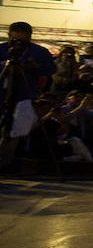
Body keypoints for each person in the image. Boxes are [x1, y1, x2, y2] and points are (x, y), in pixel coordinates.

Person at [2, 22, 57, 153]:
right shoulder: (2, 49)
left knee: (18, 131)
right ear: (9, 36)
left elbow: (52, 69)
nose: (19, 44)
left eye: (23, 40)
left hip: (24, 95)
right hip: (2, 94)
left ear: (30, 37)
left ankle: (8, 161)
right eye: (15, 40)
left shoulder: (39, 52)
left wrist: (35, 67)